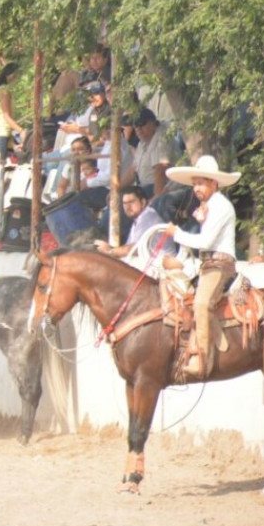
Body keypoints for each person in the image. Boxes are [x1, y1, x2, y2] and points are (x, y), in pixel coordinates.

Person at [159, 155, 240, 379]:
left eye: (201, 183)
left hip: (220, 265)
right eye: (195, 184)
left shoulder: (221, 206)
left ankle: (203, 359)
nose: (196, 188)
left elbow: (205, 242)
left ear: (214, 183)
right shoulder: (208, 206)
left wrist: (177, 234)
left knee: (202, 304)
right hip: (207, 264)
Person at [93, 186, 173, 258]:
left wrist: (110, 251)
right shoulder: (138, 218)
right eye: (125, 203)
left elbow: (134, 249)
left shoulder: (148, 216)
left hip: (160, 266)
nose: (128, 207)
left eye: (131, 202)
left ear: (143, 202)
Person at [125, 108, 175, 199]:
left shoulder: (161, 139)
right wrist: (116, 189)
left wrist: (154, 200)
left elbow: (161, 171)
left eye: (141, 124)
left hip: (164, 189)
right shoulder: (142, 142)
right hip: (144, 187)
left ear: (152, 123)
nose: (138, 129)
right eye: (135, 125)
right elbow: (133, 170)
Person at [0, 62, 27, 161]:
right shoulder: (4, 91)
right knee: (1, 165)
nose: (18, 78)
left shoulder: (0, 90)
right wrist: (21, 131)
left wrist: (13, 145)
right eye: (16, 75)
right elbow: (6, 117)